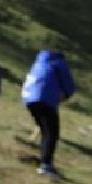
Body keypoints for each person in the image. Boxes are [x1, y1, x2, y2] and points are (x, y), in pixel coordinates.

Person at [20, 48, 75, 177]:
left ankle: (44, 161)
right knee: (52, 133)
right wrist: (65, 95)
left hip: (28, 98)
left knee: (46, 131)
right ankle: (45, 166)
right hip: (44, 99)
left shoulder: (39, 62)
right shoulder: (59, 62)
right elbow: (69, 86)